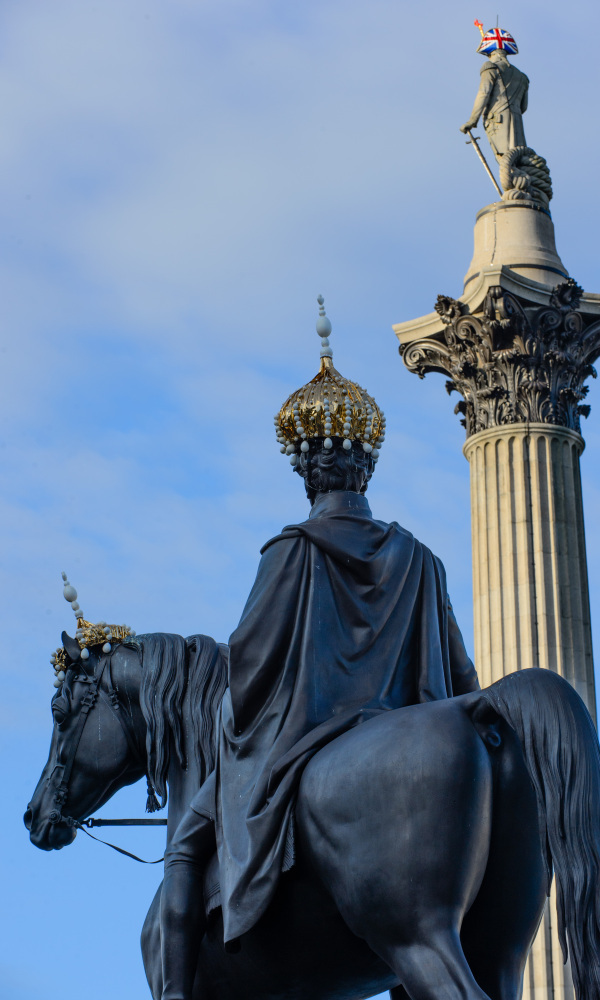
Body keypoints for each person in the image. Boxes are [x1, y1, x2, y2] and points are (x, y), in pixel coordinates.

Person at [159, 300, 479, 1000]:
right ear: (365, 466)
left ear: (306, 472)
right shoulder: (419, 558)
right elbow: (461, 679)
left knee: (184, 849)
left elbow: (248, 667)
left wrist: (224, 718)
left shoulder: (291, 550)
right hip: (410, 729)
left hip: (302, 737)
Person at [460, 27, 529, 160]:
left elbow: (483, 93)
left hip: (498, 122)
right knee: (520, 161)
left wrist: (472, 121)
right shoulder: (522, 77)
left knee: (506, 162)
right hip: (517, 123)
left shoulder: (490, 67)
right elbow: (523, 107)